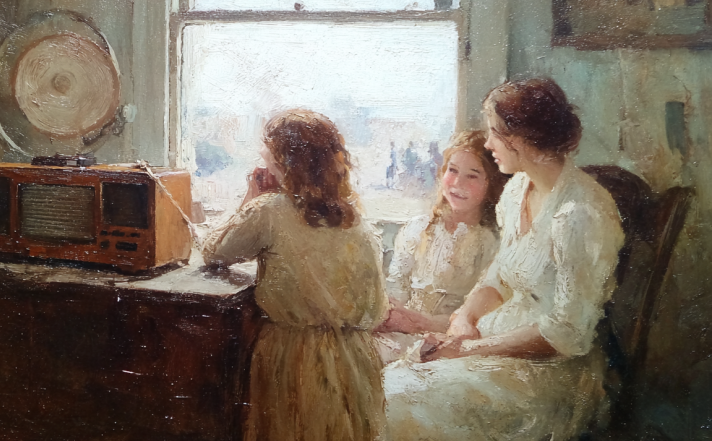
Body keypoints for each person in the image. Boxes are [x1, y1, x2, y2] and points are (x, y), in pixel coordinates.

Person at [383, 78, 625, 440]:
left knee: (397, 399)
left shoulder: (580, 214)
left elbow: (566, 335)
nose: (488, 143)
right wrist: (465, 317)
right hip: (493, 342)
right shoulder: (516, 190)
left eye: (495, 133)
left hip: (548, 370)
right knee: (385, 386)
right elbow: (499, 275)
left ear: (522, 138)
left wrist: (467, 349)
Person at [202, 110, 389, 441]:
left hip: (294, 359)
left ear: (286, 164)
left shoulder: (269, 211)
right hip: (353, 361)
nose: (264, 169)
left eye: (269, 161)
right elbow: (376, 307)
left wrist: (252, 196)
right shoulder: (351, 218)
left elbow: (214, 250)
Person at [374, 131, 507, 365]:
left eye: (472, 176)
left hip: (449, 344)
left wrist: (418, 322)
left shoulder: (492, 242)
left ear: (491, 184)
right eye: (452, 170)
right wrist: (390, 312)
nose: (457, 183)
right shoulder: (417, 229)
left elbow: (481, 321)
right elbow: (397, 287)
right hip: (401, 333)